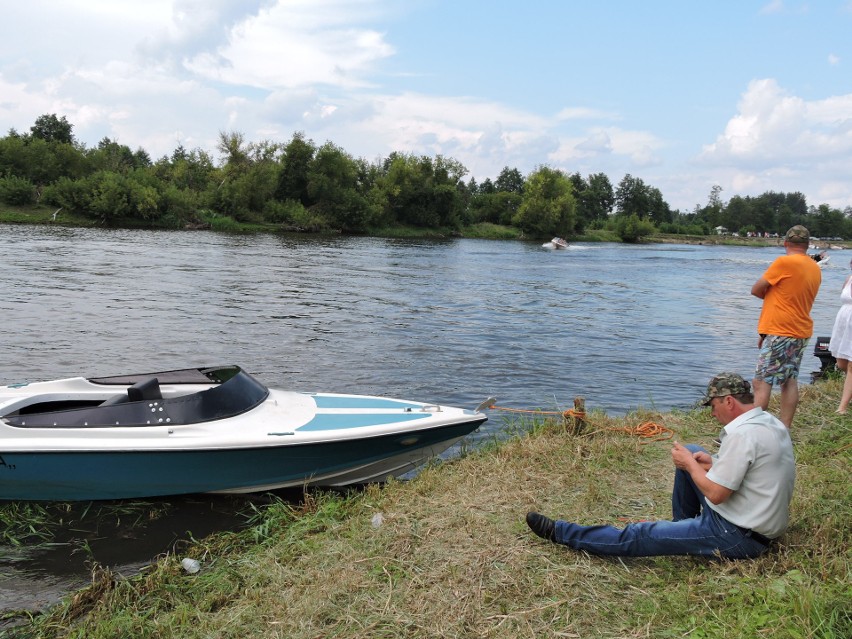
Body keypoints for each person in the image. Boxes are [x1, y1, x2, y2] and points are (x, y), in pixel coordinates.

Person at [525, 373, 795, 559]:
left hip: (738, 535)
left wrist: (691, 466)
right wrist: (709, 462)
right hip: (754, 521)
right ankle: (683, 527)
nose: (712, 413)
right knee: (692, 451)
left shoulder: (741, 434)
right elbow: (756, 470)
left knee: (641, 533)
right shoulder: (768, 423)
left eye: (713, 406)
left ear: (728, 401)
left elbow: (716, 494)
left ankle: (561, 532)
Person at [750, 225, 821, 427]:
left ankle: (749, 431)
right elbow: (789, 295)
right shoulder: (814, 267)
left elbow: (756, 289)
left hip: (780, 330)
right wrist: (765, 333)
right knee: (789, 380)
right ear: (807, 245)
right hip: (799, 331)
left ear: (785, 243)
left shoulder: (784, 262)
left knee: (761, 382)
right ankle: (784, 430)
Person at [828, 259, 852, 413]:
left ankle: (842, 408)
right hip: (844, 323)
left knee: (851, 365)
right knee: (842, 363)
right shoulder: (849, 278)